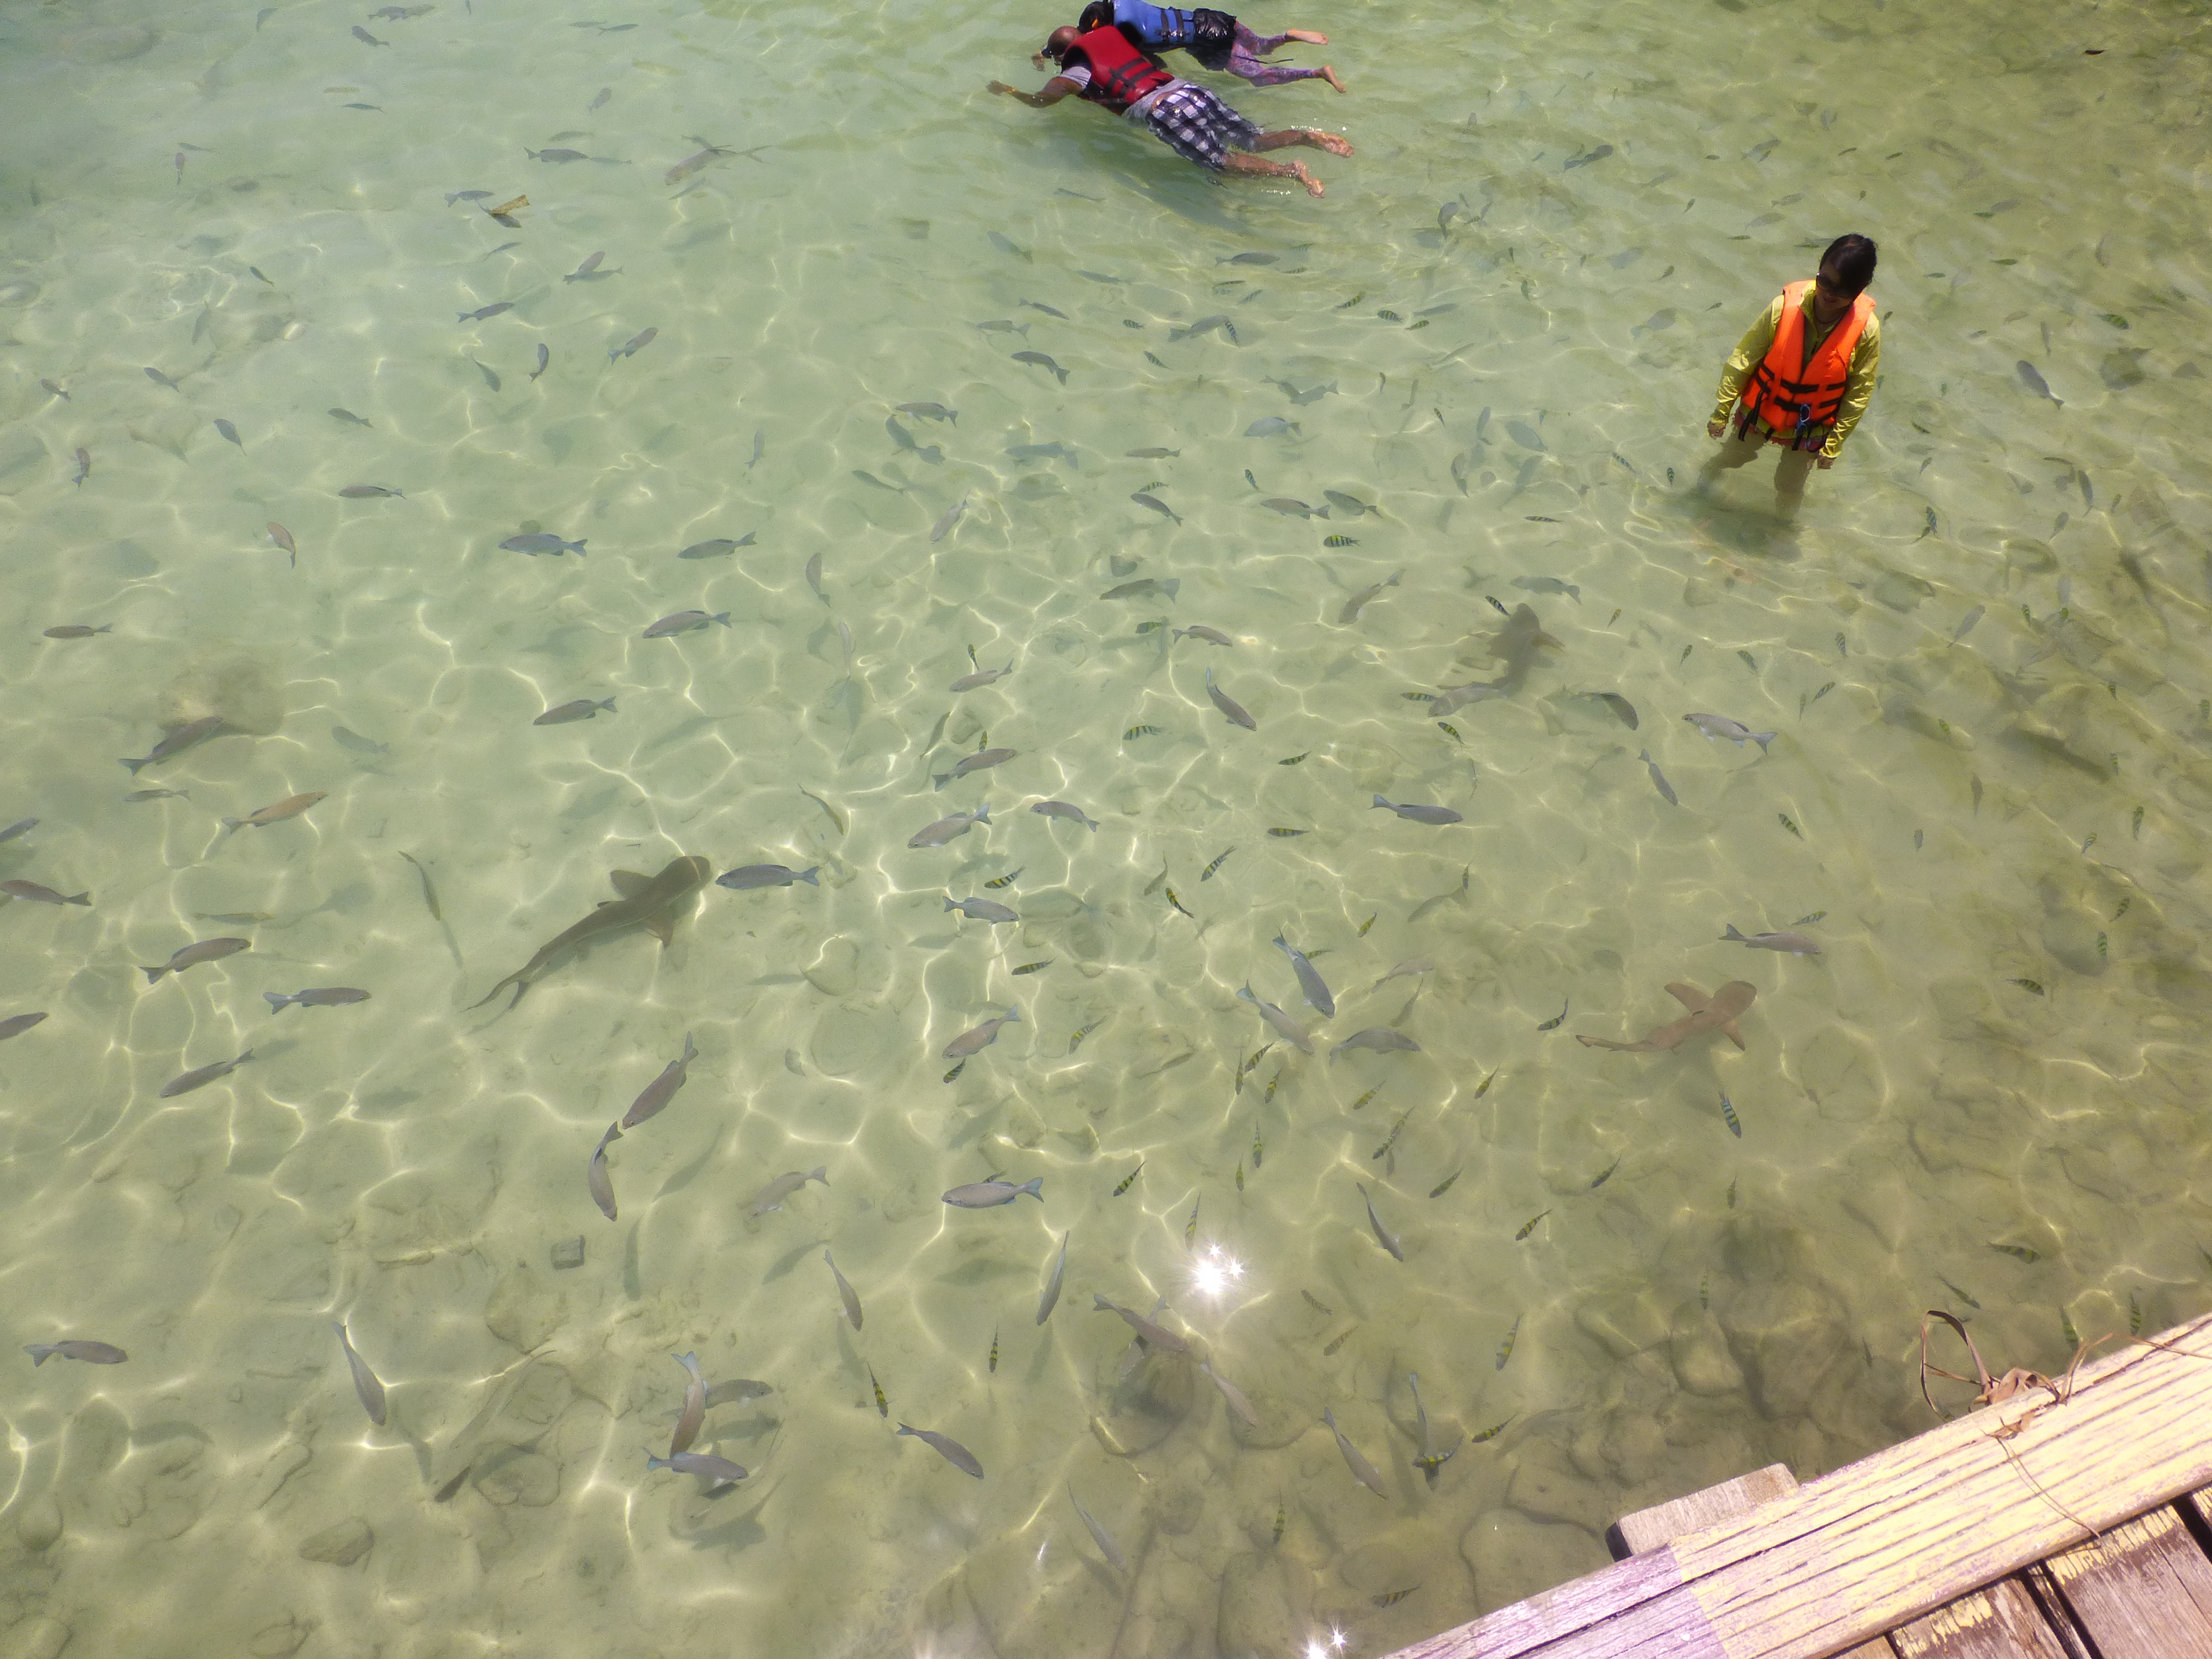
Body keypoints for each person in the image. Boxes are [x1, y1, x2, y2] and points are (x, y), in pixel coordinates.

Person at [989, 23, 1351, 197]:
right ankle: (1306, 136)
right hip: (1189, 90)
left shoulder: (1071, 76)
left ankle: (1293, 172)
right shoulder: (1114, 41)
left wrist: (1009, 91)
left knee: (1221, 163)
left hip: (1165, 112)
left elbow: (1041, 102)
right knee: (1252, 140)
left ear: (1060, 56)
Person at [1698, 234, 1881, 519]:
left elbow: (1859, 392)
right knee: (1732, 458)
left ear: (1862, 288)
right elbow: (1743, 360)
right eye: (1826, 281)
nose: (1830, 293)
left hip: (1811, 427)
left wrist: (1834, 445)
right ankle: (1699, 499)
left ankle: (1781, 530)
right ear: (1819, 268)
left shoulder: (1867, 331)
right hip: (1761, 411)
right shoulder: (1784, 308)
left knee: (1789, 485)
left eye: (1844, 290)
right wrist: (1722, 411)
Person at [1043, 1, 1344, 93]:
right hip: (1212, 18)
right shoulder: (1120, 5)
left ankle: (1317, 73)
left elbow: (1155, 66)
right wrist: (1044, 52)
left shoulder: (1126, 35)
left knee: (1258, 76)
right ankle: (1288, 35)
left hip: (1209, 43)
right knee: (1262, 47)